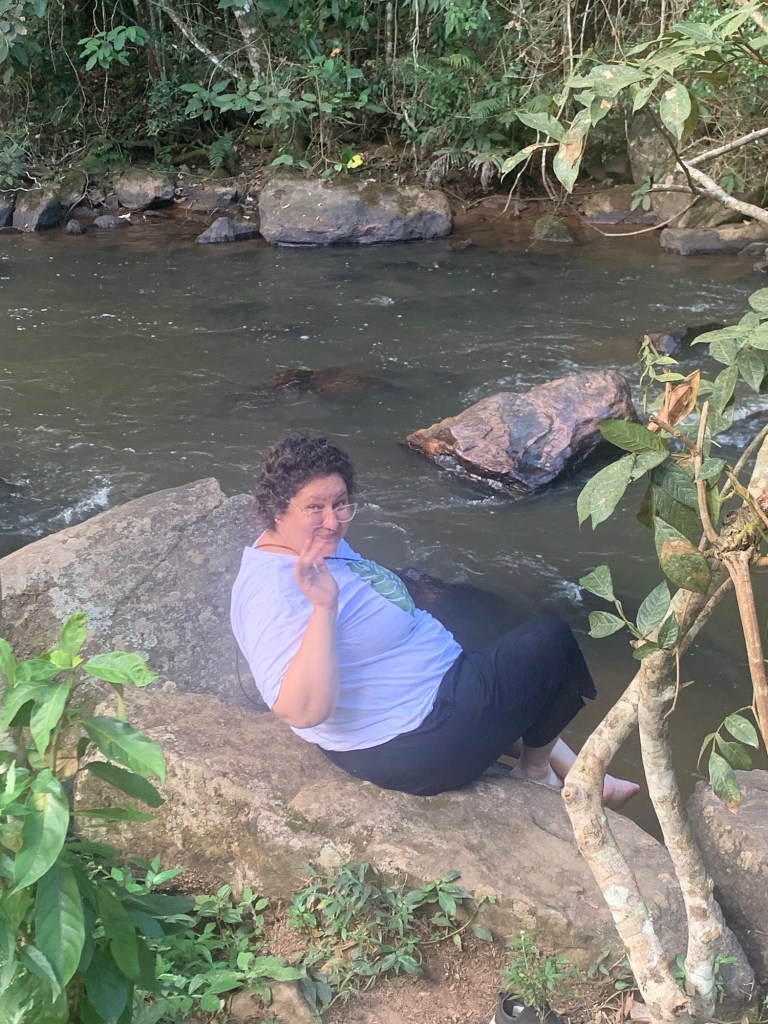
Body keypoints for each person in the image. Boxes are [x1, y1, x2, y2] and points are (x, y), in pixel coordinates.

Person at [230, 434, 639, 808]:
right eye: (314, 508)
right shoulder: (273, 592)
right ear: (276, 510)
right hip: (415, 743)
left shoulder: (309, 543)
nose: (334, 521)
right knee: (551, 642)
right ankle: (536, 772)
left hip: (424, 702)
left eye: (340, 503)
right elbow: (301, 711)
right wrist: (324, 609)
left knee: (490, 637)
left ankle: (581, 771)